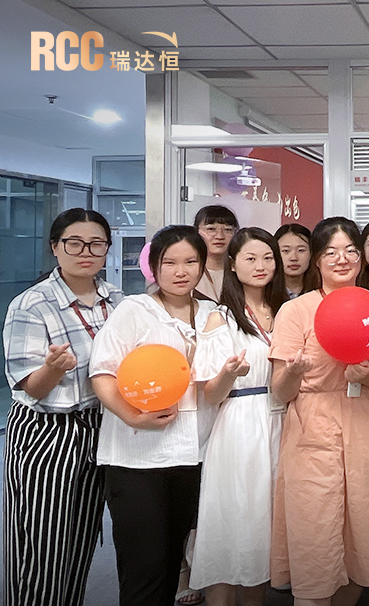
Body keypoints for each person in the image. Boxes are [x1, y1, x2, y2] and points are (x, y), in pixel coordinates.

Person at [89, 225, 218, 606]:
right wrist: (131, 417)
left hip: (191, 455)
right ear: (154, 267)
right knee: (143, 568)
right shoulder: (134, 310)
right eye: (170, 263)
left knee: (171, 561)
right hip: (137, 459)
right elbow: (102, 372)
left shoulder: (211, 313)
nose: (181, 271)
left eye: (190, 261)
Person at [268, 217, 369, 606]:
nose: (343, 259)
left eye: (351, 251)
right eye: (331, 252)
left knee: (361, 537)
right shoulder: (296, 310)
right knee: (315, 538)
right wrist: (294, 371)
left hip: (364, 424)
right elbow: (279, 391)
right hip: (313, 426)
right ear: (317, 259)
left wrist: (367, 376)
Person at [2, 209, 124, 606]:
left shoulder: (116, 300)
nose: (85, 252)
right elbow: (32, 388)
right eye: (74, 243)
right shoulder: (32, 304)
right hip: (46, 435)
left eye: (96, 244)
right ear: (55, 247)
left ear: (106, 249)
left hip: (99, 428)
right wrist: (54, 368)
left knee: (81, 542)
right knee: (42, 548)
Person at [189, 228, 289, 606]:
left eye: (268, 257)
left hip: (281, 421)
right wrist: (229, 374)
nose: (260, 265)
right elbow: (211, 395)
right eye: (250, 258)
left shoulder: (285, 312)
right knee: (233, 520)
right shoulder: (221, 319)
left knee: (263, 524)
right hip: (240, 424)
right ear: (233, 265)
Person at [193, 205, 239, 302]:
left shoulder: (241, 269)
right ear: (196, 231)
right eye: (211, 229)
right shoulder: (190, 270)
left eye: (227, 230)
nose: (220, 236)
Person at [275, 223, 314, 299]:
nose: (294, 258)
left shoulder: (320, 293)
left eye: (301, 250)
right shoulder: (265, 294)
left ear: (311, 253)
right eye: (286, 251)